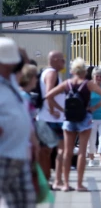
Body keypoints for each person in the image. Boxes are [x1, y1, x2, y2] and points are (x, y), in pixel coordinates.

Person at [0, 38, 42, 208]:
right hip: (3, 153)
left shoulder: (10, 83)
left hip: (18, 153)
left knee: (23, 201)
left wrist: (32, 139)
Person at [44, 58, 101, 192]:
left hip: (68, 119)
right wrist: (94, 107)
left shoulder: (66, 83)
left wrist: (60, 109)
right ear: (85, 71)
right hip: (84, 118)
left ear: (72, 71)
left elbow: (48, 96)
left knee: (67, 152)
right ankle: (79, 184)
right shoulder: (88, 84)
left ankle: (66, 184)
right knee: (81, 152)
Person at [37, 51, 66, 186]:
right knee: (59, 150)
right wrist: (55, 110)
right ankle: (55, 180)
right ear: (54, 60)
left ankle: (48, 179)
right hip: (52, 119)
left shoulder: (46, 72)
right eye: (62, 60)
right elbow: (49, 93)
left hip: (47, 118)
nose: (64, 63)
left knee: (46, 151)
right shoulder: (52, 73)